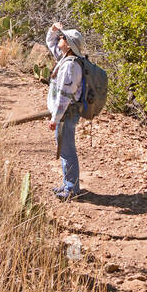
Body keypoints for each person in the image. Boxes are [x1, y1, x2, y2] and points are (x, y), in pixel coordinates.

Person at [46, 21, 85, 200]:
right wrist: (53, 30)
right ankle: (67, 184)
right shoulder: (65, 59)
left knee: (67, 150)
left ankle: (71, 189)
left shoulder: (70, 65)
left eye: (63, 37)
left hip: (66, 113)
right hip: (66, 113)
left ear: (68, 44)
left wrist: (55, 118)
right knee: (65, 149)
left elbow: (64, 96)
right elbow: (51, 43)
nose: (60, 38)